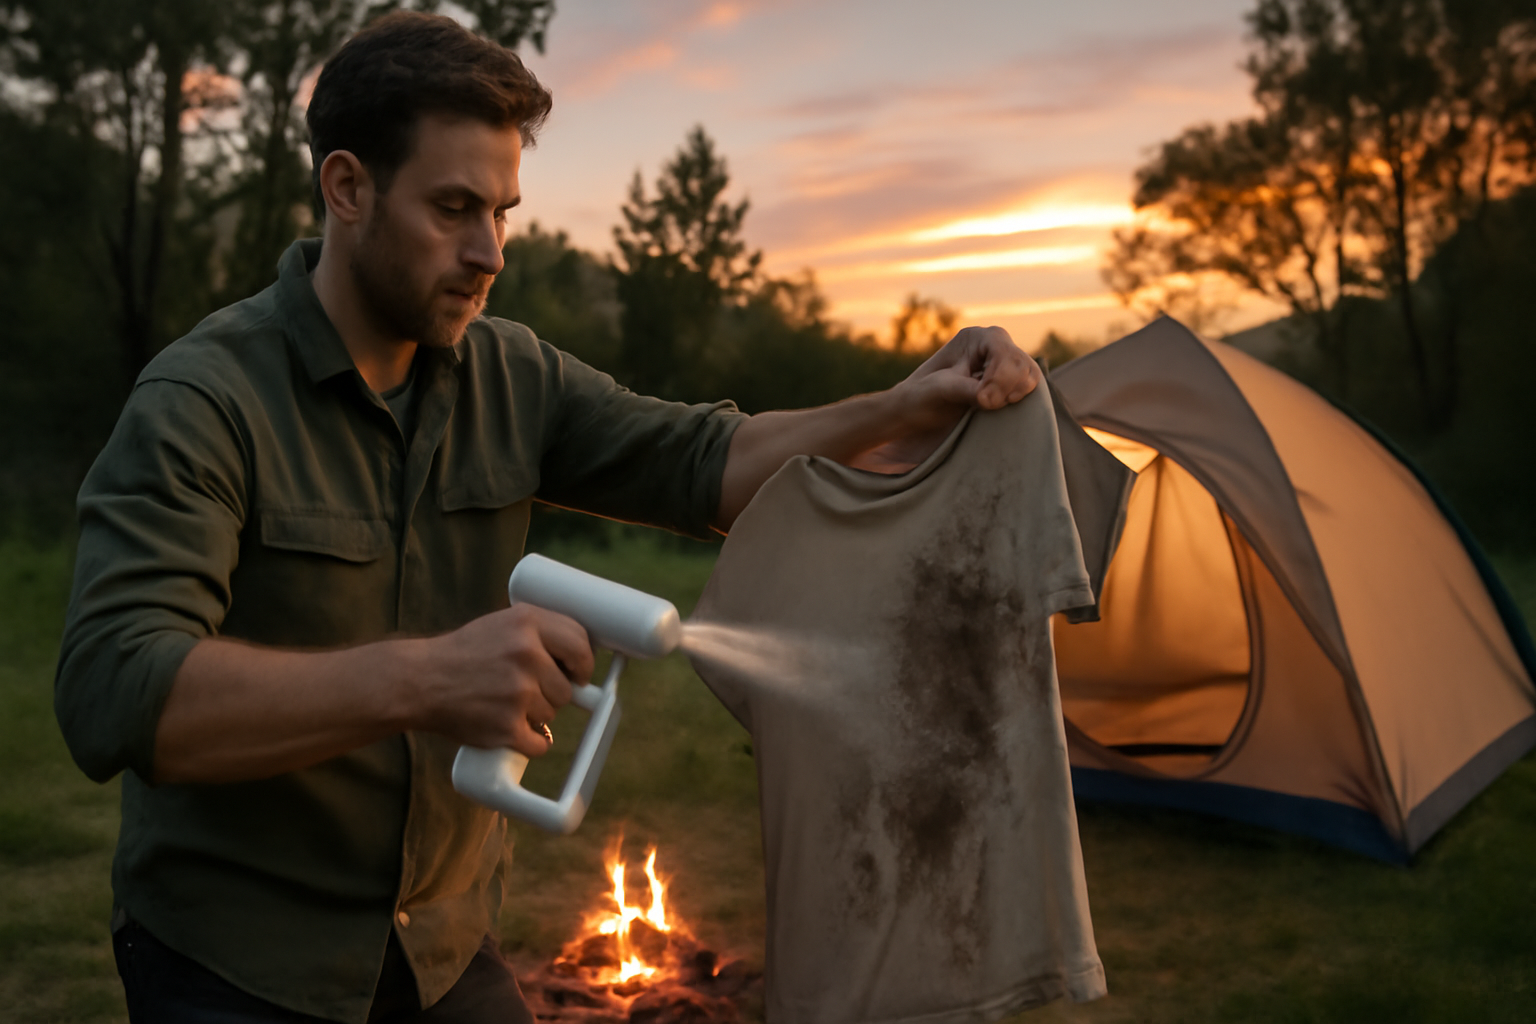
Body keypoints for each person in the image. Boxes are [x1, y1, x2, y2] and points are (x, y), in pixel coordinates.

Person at [54, 10, 1040, 1024]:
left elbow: (708, 460)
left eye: (503, 211)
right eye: (452, 209)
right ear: (347, 188)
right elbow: (112, 691)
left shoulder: (512, 374)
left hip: (441, 946)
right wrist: (429, 675)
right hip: (237, 961)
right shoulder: (203, 401)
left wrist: (904, 404)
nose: (490, 252)